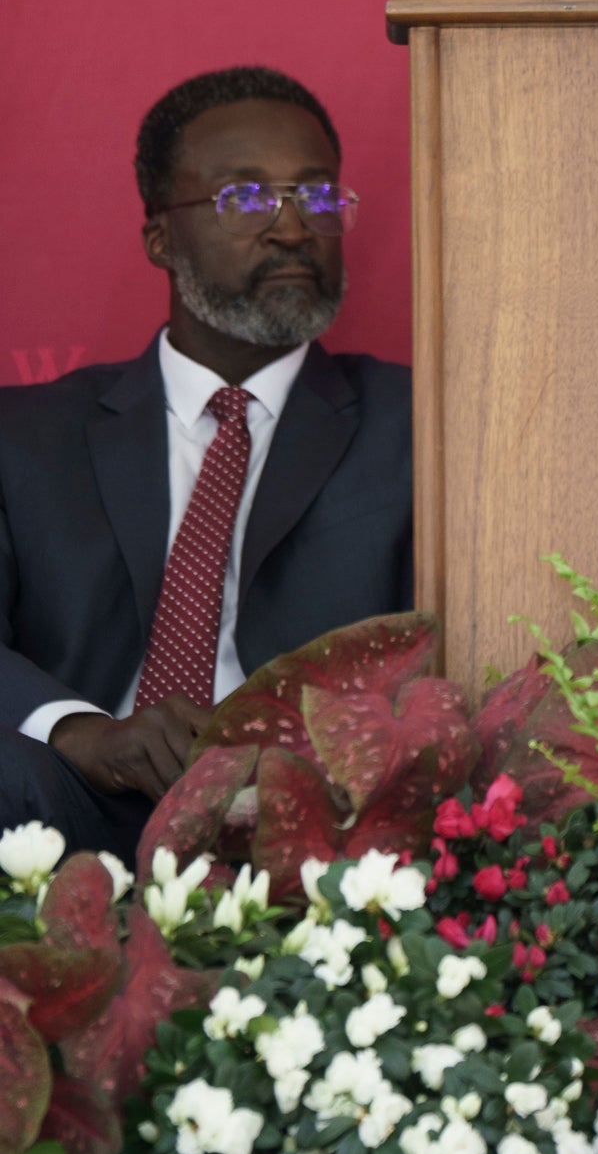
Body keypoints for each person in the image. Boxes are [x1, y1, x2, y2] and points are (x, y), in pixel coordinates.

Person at [0, 67, 413, 858]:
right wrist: (81, 731)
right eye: (247, 198)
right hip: (77, 803)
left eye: (317, 195)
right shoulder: (27, 438)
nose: (293, 228)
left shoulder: (417, 424)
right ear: (160, 236)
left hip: (314, 823)